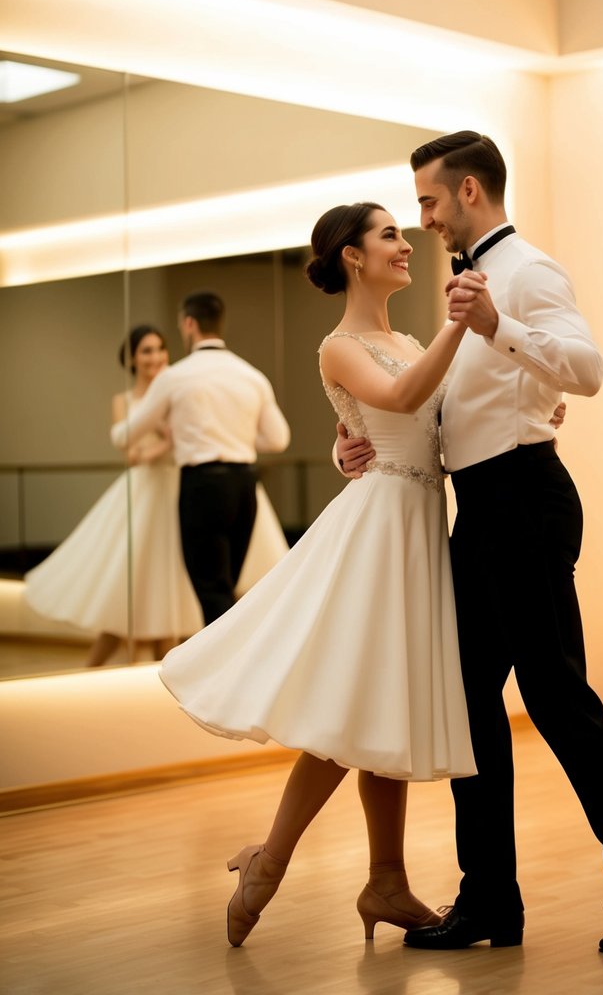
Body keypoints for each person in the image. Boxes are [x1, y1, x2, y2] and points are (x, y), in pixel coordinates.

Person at [339, 132, 603, 955]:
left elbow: (589, 372)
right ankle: (490, 899)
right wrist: (365, 445)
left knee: (558, 700)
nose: (421, 219)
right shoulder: (463, 283)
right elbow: (451, 408)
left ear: (469, 195)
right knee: (469, 708)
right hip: (479, 509)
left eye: (427, 201)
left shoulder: (527, 272)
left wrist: (501, 326)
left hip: (525, 500)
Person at [159, 203, 475, 948]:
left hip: (419, 522)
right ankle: (269, 863)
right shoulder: (339, 346)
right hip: (376, 531)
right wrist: (460, 326)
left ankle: (386, 879)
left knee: (381, 710)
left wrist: (530, 406)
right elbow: (396, 401)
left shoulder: (409, 338)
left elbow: (442, 422)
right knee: (349, 711)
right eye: (390, 234)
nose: (406, 245)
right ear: (352, 257)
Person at [25, 325, 203, 664]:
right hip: (142, 493)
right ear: (132, 358)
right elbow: (131, 455)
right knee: (130, 586)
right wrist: (165, 443)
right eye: (147, 351)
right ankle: (100, 672)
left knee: (168, 583)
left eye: (160, 349)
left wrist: (169, 443)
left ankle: (158, 676)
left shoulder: (174, 392)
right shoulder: (123, 401)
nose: (156, 357)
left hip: (175, 489)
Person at [111, 293, 291, 625]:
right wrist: (232, 433)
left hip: (203, 486)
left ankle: (225, 671)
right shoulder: (251, 375)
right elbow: (278, 439)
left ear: (189, 323)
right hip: (244, 485)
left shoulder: (175, 376)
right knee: (228, 585)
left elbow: (124, 436)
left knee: (212, 590)